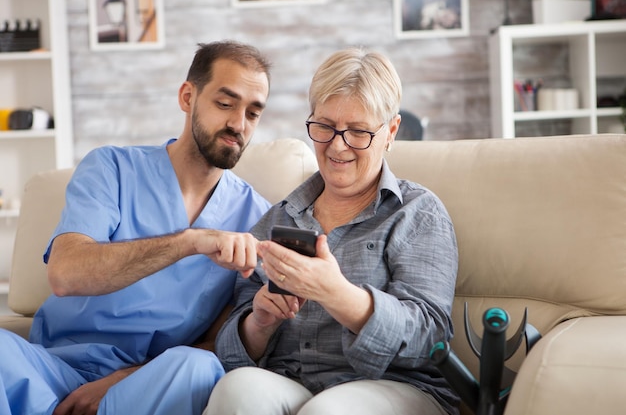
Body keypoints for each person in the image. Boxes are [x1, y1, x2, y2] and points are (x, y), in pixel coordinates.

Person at [0, 40, 272, 415]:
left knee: (200, 368)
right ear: (187, 97)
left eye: (253, 113)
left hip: (145, 385)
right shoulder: (110, 169)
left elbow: (218, 342)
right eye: (225, 104)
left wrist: (121, 381)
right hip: (52, 368)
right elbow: (65, 274)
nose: (238, 124)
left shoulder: (256, 218)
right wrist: (189, 242)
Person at [204, 47, 459, 415]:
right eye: (324, 126)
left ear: (390, 131)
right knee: (236, 390)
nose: (338, 146)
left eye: (358, 131)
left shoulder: (417, 213)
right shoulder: (279, 220)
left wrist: (338, 294)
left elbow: (429, 337)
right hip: (290, 381)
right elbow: (229, 351)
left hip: (394, 388)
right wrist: (258, 321)